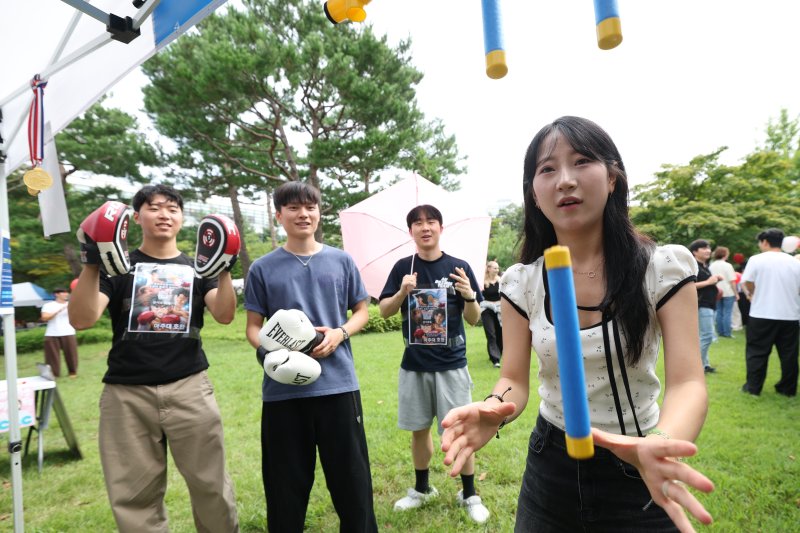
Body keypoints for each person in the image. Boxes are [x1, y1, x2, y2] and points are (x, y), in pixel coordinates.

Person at [440, 116, 714, 532]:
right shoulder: (523, 282)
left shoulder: (661, 268)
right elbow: (513, 377)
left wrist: (659, 446)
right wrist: (494, 408)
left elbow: (689, 382)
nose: (565, 180)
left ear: (612, 178)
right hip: (551, 466)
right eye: (547, 169)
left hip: (641, 460)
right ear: (534, 192)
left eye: (582, 161)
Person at [69, 184, 239, 532]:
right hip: (126, 393)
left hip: (189, 386)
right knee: (134, 495)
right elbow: (81, 319)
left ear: (181, 218)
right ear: (136, 217)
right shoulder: (117, 266)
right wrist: (91, 259)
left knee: (212, 486)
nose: (164, 214)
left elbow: (224, 314)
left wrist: (224, 268)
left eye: (173, 208)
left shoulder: (198, 269)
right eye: (155, 207)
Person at [244, 181, 377, 533]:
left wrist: (340, 332)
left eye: (310, 207)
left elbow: (362, 310)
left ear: (319, 212)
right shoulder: (262, 268)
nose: (303, 214)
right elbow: (253, 327)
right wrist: (270, 354)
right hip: (283, 393)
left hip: (338, 387)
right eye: (293, 208)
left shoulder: (341, 260)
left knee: (353, 484)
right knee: (285, 486)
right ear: (279, 215)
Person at [379, 204, 490, 524]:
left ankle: (469, 494)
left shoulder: (458, 267)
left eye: (431, 222)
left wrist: (469, 296)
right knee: (418, 430)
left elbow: (473, 320)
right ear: (410, 231)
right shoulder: (403, 267)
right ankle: (422, 488)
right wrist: (402, 290)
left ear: (441, 228)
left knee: (460, 430)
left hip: (452, 364)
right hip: (414, 364)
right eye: (417, 223)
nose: (424, 227)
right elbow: (385, 311)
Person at [740, 228, 800, 397]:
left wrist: (752, 295)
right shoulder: (795, 262)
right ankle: (788, 389)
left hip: (761, 313)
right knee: (789, 354)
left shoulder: (757, 259)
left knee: (757, 353)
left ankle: (753, 387)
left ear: (765, 242)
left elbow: (748, 281)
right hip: (790, 315)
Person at [690, 239, 723, 373]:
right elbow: (688, 286)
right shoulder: (693, 266)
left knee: (703, 336)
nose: (708, 250)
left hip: (710, 304)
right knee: (707, 336)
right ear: (694, 252)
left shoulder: (704, 266)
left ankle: (705, 364)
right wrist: (709, 282)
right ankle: (698, 367)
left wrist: (715, 280)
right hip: (701, 304)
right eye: (703, 248)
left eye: (709, 248)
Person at [40, 288, 79, 378]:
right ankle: (54, 374)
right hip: (52, 333)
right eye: (63, 292)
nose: (66, 294)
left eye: (67, 292)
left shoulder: (71, 304)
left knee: (71, 354)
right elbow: (44, 317)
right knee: (51, 356)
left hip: (68, 332)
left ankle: (72, 372)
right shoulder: (48, 305)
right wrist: (59, 310)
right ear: (56, 294)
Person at [709, 246, 738, 338]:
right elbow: (732, 281)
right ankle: (727, 333)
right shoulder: (727, 265)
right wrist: (736, 293)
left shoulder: (712, 265)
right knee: (727, 313)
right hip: (728, 292)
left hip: (716, 291)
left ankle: (720, 331)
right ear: (725, 254)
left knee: (719, 312)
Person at [481, 260, 503, 367]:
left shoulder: (501, 281)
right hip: (486, 310)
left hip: (499, 310)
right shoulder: (482, 282)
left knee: (500, 333)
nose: (497, 270)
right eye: (494, 268)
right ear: (488, 269)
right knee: (491, 334)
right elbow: (478, 297)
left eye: (497, 268)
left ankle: (498, 353)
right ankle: (496, 359)